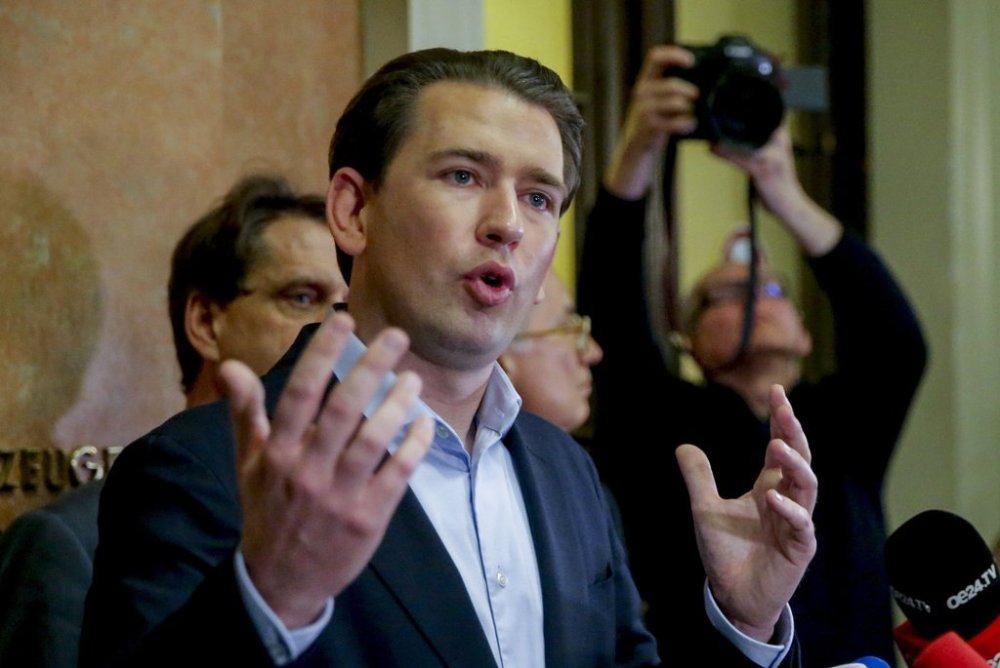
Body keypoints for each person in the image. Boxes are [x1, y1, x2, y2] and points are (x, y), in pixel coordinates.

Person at [81, 47, 818, 667]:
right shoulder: (199, 468)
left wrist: (742, 623)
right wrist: (267, 599)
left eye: (538, 198)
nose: (507, 225)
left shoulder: (569, 476)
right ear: (353, 210)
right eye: (464, 176)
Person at [578, 45, 928, 667]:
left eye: (771, 289)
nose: (754, 299)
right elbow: (613, 309)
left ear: (805, 335)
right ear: (688, 342)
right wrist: (638, 149)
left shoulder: (843, 422)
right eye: (724, 295)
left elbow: (896, 342)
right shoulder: (664, 420)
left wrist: (781, 191)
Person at [0, 173, 348, 668]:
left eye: (343, 304)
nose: (335, 326)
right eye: (301, 298)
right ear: (207, 322)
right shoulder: (65, 546)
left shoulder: (350, 529)